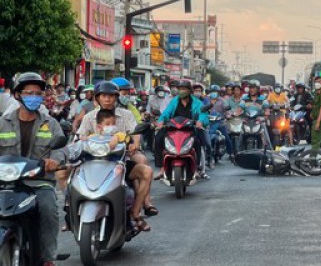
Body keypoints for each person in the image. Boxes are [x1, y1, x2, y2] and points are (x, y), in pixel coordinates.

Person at [0, 72, 66, 266]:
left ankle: (47, 258)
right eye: (29, 92)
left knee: (48, 208)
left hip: (38, 181)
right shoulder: (2, 123)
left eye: (38, 93)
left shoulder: (51, 124)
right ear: (17, 95)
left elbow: (61, 149)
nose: (34, 97)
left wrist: (54, 161)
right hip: (5, 182)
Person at [77, 81, 156, 229]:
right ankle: (71, 212)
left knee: (146, 170)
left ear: (116, 98)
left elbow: (135, 132)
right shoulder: (89, 117)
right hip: (93, 162)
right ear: (97, 98)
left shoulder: (126, 114)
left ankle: (136, 211)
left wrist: (134, 145)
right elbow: (80, 136)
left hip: (120, 160)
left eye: (111, 96)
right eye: (104, 96)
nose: (107, 99)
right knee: (65, 172)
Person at [155, 80, 211, 179]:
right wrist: (161, 121)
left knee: (198, 142)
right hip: (173, 128)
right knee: (158, 139)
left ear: (190, 90)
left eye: (184, 89)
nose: (181, 91)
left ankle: (197, 168)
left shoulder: (197, 103)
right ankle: (162, 168)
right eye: (180, 89)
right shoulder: (174, 101)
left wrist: (200, 121)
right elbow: (166, 113)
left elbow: (203, 114)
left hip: (190, 128)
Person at [238, 80, 272, 149]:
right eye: (250, 88)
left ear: (258, 89)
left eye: (254, 88)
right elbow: (239, 109)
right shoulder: (244, 98)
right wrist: (236, 114)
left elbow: (267, 110)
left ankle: (269, 150)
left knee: (265, 135)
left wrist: (264, 116)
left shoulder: (262, 99)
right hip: (247, 120)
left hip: (259, 120)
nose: (252, 90)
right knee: (240, 135)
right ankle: (237, 153)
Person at [206, 87, 235, 162]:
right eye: (212, 91)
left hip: (220, 122)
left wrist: (228, 115)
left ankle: (231, 153)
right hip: (209, 123)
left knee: (226, 137)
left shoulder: (222, 101)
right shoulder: (206, 100)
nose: (214, 92)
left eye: (215, 91)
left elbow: (226, 110)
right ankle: (206, 153)